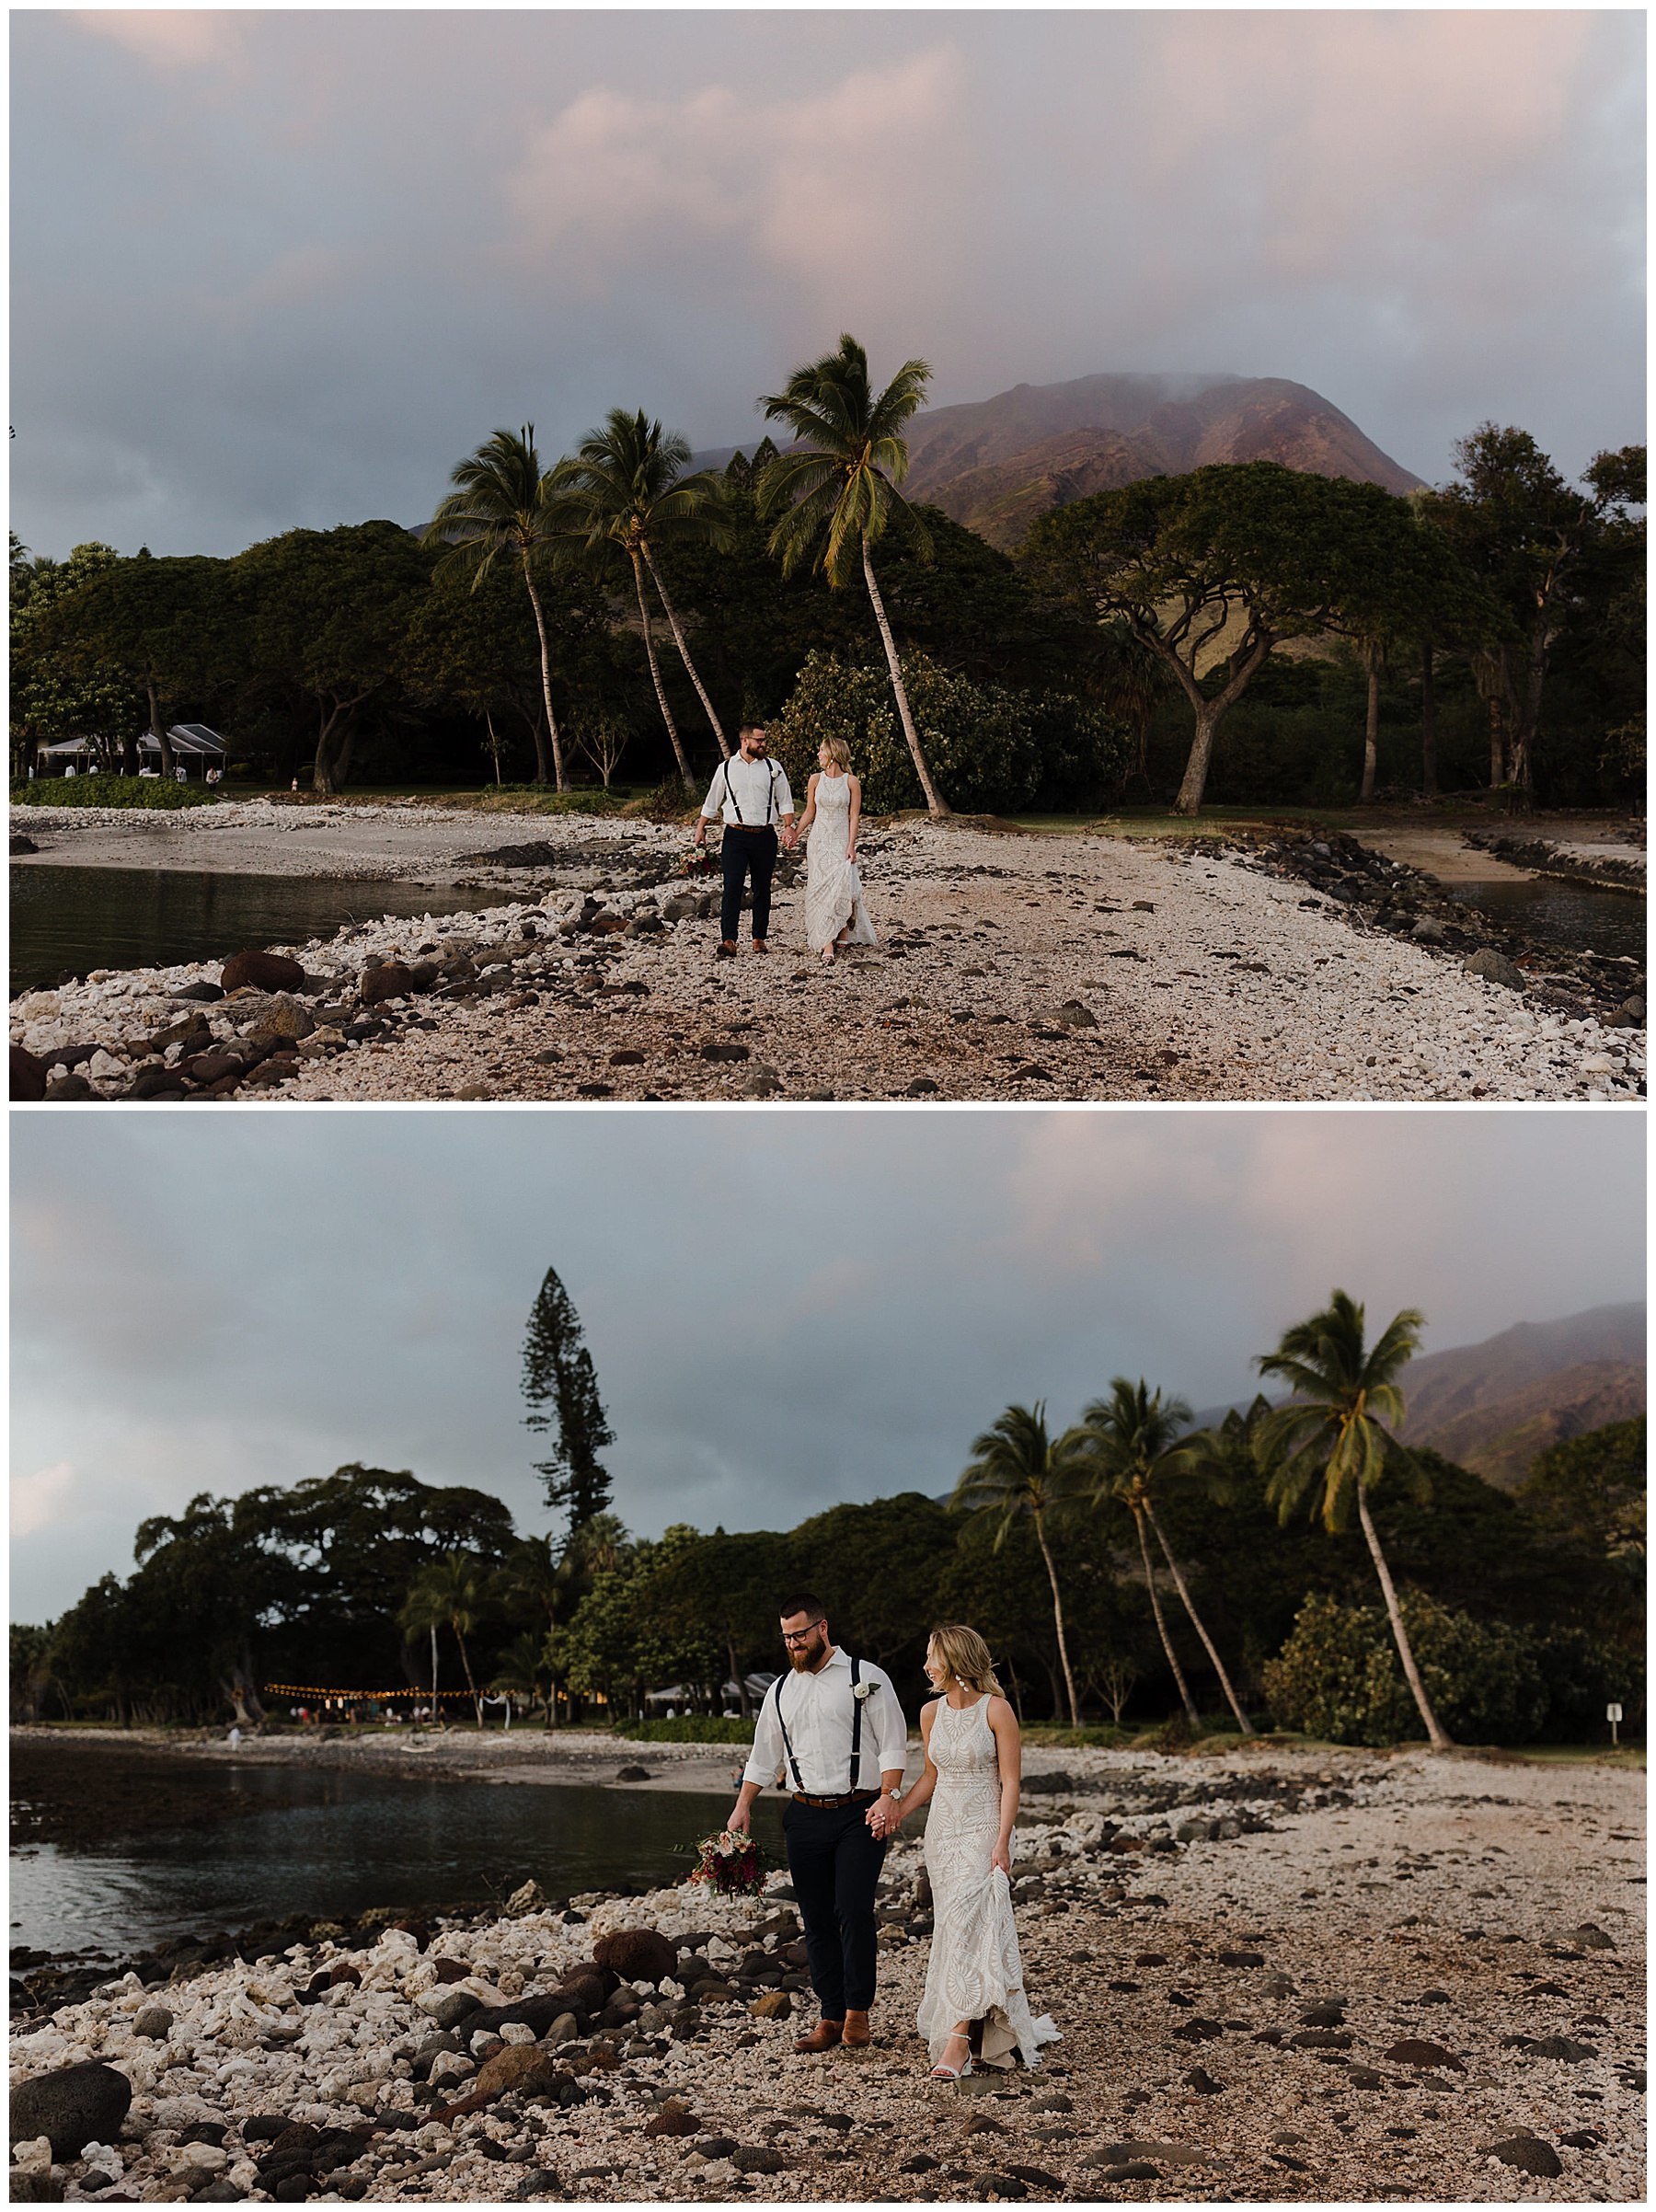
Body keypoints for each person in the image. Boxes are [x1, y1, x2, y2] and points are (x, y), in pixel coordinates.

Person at [878, 1623, 1058, 2079]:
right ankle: (978, 2032)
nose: (925, 1666)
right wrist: (897, 1810)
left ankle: (957, 2041)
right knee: (957, 1930)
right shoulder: (929, 1713)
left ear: (955, 1662)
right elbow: (931, 1777)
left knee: (968, 1924)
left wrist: (1003, 1839)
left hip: (984, 1829)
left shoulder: (997, 1711)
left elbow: (1012, 1781)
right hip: (942, 1832)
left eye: (931, 1658)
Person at [729, 1595, 907, 2053]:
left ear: (823, 1629)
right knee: (816, 1919)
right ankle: (829, 2015)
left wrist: (889, 1797)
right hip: (804, 1814)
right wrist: (743, 1805)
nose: (794, 1644)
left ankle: (857, 2013)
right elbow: (763, 1755)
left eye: (801, 1635)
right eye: (787, 1637)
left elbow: (892, 1743)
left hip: (859, 1811)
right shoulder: (780, 1691)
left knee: (852, 1909)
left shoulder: (865, 1677)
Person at [693, 724, 796, 958]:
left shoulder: (773, 767)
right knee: (732, 887)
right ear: (745, 740)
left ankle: (758, 938)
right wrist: (701, 828)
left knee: (762, 889)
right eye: (759, 740)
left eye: (764, 740)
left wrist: (789, 826)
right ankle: (729, 940)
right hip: (735, 836)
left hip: (765, 835)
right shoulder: (726, 768)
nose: (763, 744)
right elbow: (713, 800)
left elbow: (786, 799)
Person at [797, 737, 877, 963]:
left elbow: (854, 816)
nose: (818, 754)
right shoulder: (815, 780)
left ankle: (841, 929)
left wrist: (851, 845)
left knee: (840, 887)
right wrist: (795, 832)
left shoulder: (851, 782)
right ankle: (827, 941)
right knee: (819, 889)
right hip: (819, 841)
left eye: (821, 750)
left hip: (841, 839)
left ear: (832, 753)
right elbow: (810, 811)